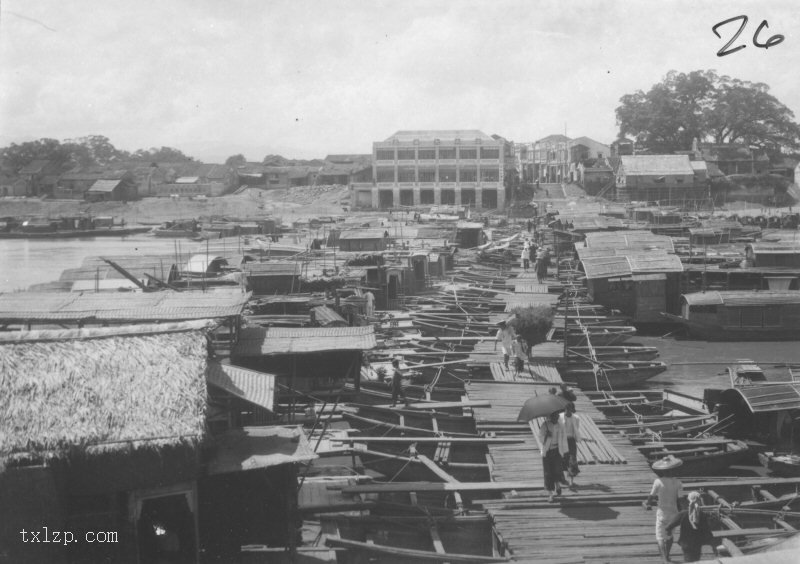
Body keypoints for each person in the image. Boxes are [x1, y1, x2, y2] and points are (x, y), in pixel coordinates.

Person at [643, 455, 684, 563]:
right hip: (673, 514)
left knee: (660, 537)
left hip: (662, 513)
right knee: (669, 536)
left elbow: (651, 496)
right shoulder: (678, 483)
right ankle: (667, 555)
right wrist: (682, 513)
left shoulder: (658, 481)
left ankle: (664, 559)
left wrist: (647, 503)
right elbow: (680, 500)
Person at [665, 491, 718, 562]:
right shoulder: (702, 515)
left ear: (688, 500)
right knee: (696, 560)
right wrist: (713, 545)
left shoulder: (683, 514)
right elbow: (707, 531)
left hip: (685, 543)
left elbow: (669, 526)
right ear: (699, 501)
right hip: (697, 544)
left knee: (688, 560)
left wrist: (669, 532)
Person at [537, 411, 568, 502]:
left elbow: (563, 438)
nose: (556, 417)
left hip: (557, 450)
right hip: (547, 451)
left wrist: (565, 451)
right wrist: (546, 436)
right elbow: (540, 437)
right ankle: (550, 494)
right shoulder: (545, 425)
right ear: (551, 416)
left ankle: (557, 485)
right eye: (554, 416)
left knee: (557, 469)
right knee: (548, 472)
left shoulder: (560, 425)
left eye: (557, 416)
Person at [559, 402, 581, 486]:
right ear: (565, 409)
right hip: (562, 440)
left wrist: (577, 438)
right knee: (562, 459)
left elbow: (576, 429)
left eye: (569, 410)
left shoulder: (576, 418)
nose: (567, 411)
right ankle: (563, 478)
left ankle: (571, 479)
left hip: (571, 440)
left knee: (572, 459)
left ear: (572, 410)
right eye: (566, 409)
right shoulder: (560, 417)